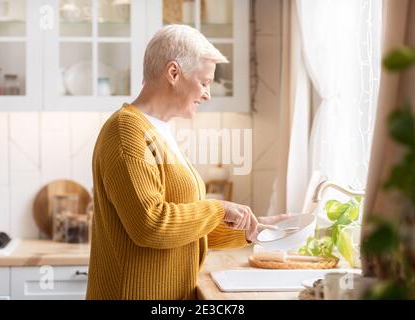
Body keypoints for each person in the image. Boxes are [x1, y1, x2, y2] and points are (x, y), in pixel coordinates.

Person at [86, 24, 285, 300]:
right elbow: (150, 225)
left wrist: (253, 230)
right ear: (173, 73)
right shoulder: (126, 131)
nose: (207, 94)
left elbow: (185, 233)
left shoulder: (159, 131)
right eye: (204, 82)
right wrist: (218, 209)